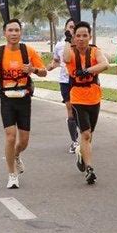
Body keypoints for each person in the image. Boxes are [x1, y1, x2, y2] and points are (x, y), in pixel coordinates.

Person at [0, 18, 47, 189]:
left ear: (21, 33)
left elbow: (44, 73)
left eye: (16, 30)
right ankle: (12, 174)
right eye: (10, 30)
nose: (13, 33)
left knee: (24, 141)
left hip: (24, 98)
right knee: (10, 136)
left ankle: (17, 155)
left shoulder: (29, 51)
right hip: (6, 99)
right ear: (4, 33)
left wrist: (32, 70)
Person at [63, 21, 109, 185]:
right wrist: (68, 39)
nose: (81, 39)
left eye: (85, 35)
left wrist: (88, 70)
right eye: (78, 36)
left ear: (89, 37)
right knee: (86, 134)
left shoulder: (95, 51)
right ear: (74, 37)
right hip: (77, 97)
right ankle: (90, 169)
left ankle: (81, 154)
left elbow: (105, 64)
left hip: (94, 96)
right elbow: (65, 58)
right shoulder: (71, 51)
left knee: (89, 135)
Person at [47, 18, 79, 153]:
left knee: (81, 111)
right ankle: (75, 141)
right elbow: (56, 61)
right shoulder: (60, 45)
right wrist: (49, 67)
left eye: (75, 27)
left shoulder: (82, 44)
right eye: (70, 27)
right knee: (70, 110)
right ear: (66, 29)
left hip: (80, 82)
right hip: (65, 81)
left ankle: (84, 136)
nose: (72, 29)